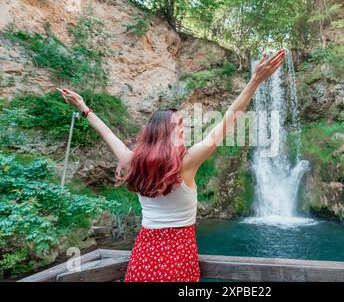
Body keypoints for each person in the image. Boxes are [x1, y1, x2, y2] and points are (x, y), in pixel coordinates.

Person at [56, 49, 286, 282]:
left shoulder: (134, 162)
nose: (184, 131)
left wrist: (84, 108)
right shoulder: (187, 163)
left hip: (143, 257)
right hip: (178, 257)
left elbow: (107, 134)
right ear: (167, 133)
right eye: (180, 127)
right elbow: (228, 119)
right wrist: (255, 80)